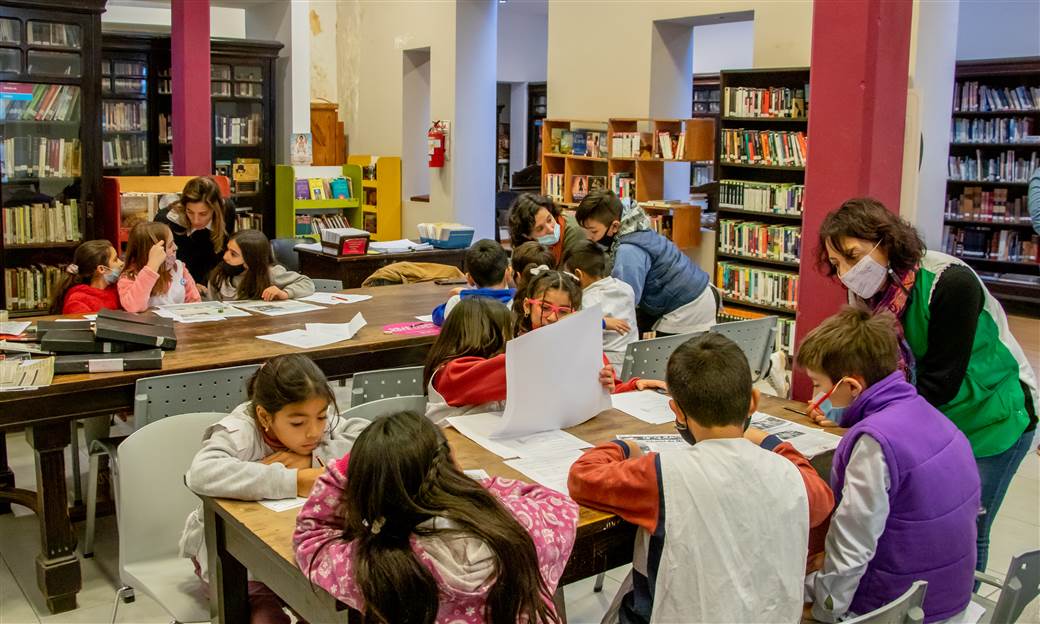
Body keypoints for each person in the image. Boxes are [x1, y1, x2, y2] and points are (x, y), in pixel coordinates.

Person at [816, 197, 1037, 573]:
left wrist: (862, 416)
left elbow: (940, 384)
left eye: (854, 256)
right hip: (933, 422)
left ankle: (965, 606)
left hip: (993, 419)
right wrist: (837, 397)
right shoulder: (868, 292)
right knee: (930, 521)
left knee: (969, 527)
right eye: (837, 265)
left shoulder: (950, 282)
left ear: (885, 242)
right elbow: (871, 364)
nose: (847, 274)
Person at [568, 333, 833, 623]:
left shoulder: (659, 473)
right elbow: (822, 499)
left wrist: (622, 446)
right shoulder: (792, 476)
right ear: (753, 402)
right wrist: (771, 441)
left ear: (677, 410)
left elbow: (583, 478)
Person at [293, 411, 578, 624]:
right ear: (450, 463)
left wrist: (345, 469)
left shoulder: (378, 567)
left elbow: (311, 536)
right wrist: (468, 489)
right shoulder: (523, 528)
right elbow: (555, 500)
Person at [798, 307, 979, 623]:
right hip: (949, 600)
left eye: (817, 385)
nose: (814, 399)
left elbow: (852, 549)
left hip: (896, 610)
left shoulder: (875, 443)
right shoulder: (934, 418)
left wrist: (824, 611)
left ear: (851, 387)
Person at [180, 354, 370, 624]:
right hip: (234, 560)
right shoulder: (241, 430)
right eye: (297, 423)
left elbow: (367, 437)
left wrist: (311, 459)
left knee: (326, 613)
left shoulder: (314, 418)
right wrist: (295, 480)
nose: (313, 432)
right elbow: (201, 473)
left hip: (290, 550)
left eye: (321, 417)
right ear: (264, 416)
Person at [575, 190, 716, 335]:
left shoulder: (628, 251)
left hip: (687, 307)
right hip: (693, 292)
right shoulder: (636, 226)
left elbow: (624, 301)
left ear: (615, 226)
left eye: (593, 232)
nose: (589, 238)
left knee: (665, 354)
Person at [424, 297, 514, 424]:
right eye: (508, 330)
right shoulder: (453, 373)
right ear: (488, 334)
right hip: (453, 442)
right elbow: (516, 368)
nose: (511, 337)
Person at [562, 240, 637, 375]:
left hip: (605, 369)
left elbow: (565, 324)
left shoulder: (585, 301)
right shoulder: (627, 289)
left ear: (578, 275)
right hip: (633, 364)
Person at [154, 176, 236, 291]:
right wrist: (188, 284)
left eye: (203, 214)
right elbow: (163, 268)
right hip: (179, 287)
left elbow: (222, 255)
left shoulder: (227, 211)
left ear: (215, 209)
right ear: (183, 206)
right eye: (190, 212)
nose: (196, 220)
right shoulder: (166, 220)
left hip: (214, 286)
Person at [208, 229, 314, 302]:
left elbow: (307, 283)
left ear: (251, 260)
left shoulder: (270, 273)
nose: (225, 257)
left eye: (233, 254)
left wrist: (285, 293)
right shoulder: (219, 276)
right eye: (227, 250)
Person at [118, 221, 201, 312]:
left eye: (173, 243)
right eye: (170, 246)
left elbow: (194, 301)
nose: (175, 247)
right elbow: (134, 307)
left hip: (179, 324)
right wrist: (151, 267)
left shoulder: (179, 269)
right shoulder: (129, 276)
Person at [431, 239, 515, 326]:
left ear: (469, 278)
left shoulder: (457, 302)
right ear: (509, 272)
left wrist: (463, 293)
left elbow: (437, 316)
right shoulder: (519, 302)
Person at [507, 193, 587, 266]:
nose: (551, 230)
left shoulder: (575, 231)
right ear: (526, 235)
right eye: (540, 228)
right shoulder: (522, 244)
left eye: (549, 220)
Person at [51, 239, 123, 315]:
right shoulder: (77, 301)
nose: (122, 263)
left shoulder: (117, 290)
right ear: (101, 269)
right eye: (115, 260)